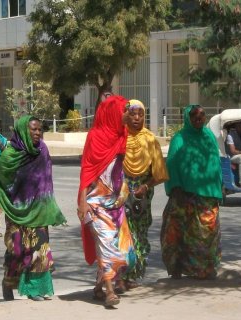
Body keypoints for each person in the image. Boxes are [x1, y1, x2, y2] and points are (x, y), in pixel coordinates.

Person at [0, 115, 66, 302]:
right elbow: (0, 177)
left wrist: (47, 206)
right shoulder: (11, 153)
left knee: (39, 251)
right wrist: (6, 201)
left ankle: (35, 289)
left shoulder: (42, 150)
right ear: (24, 130)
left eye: (40, 129)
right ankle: (8, 282)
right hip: (17, 210)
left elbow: (45, 180)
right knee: (18, 250)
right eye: (33, 129)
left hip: (38, 209)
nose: (37, 133)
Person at [77, 95, 136, 307]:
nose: (127, 115)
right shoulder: (95, 136)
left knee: (122, 248)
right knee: (105, 245)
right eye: (124, 111)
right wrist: (82, 203)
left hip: (115, 203)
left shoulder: (122, 135)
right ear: (112, 113)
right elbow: (87, 171)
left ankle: (98, 287)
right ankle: (110, 292)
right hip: (95, 202)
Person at [160, 104, 223, 280]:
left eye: (202, 115)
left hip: (208, 194)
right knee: (176, 233)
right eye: (194, 115)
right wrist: (176, 187)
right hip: (183, 194)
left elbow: (215, 163)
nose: (199, 118)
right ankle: (177, 269)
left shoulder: (209, 136)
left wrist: (220, 185)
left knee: (206, 234)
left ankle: (204, 270)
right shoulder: (179, 138)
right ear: (187, 117)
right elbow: (172, 164)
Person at [118, 99, 168, 292]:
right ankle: (121, 275)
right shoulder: (119, 137)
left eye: (140, 114)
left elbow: (160, 174)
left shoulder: (150, 140)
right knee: (122, 233)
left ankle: (133, 274)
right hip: (122, 193)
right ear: (126, 115)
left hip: (142, 196)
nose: (137, 118)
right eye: (132, 113)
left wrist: (145, 187)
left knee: (139, 233)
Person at [226, 122, 241, 188]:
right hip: (230, 157)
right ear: (235, 126)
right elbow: (232, 151)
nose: (240, 127)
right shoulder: (230, 135)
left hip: (240, 154)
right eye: (238, 126)